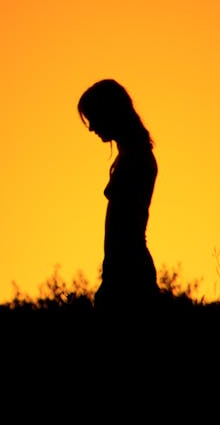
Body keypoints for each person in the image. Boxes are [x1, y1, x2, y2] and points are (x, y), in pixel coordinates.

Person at [78, 79, 160, 312]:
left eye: (94, 118)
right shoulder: (131, 155)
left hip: (128, 268)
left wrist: (113, 277)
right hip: (124, 265)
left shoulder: (136, 158)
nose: (91, 128)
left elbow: (126, 229)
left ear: (109, 113)